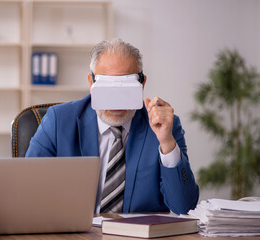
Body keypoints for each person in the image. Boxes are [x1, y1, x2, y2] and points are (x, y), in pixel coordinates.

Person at [26, 38, 199, 214]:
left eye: (125, 87)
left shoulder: (165, 127)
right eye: (107, 87)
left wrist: (167, 143)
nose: (116, 103)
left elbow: (184, 206)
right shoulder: (58, 121)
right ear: (91, 83)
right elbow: (27, 190)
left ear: (142, 84)